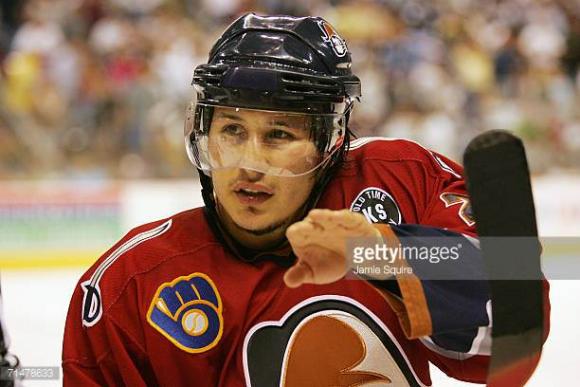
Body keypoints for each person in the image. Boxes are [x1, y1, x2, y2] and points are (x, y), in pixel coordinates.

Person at [62, 14, 547, 386]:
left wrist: (378, 254)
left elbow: (509, 335)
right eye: (232, 130)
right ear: (203, 133)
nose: (250, 163)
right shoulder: (130, 284)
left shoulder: (400, 178)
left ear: (330, 139)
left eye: (278, 134)